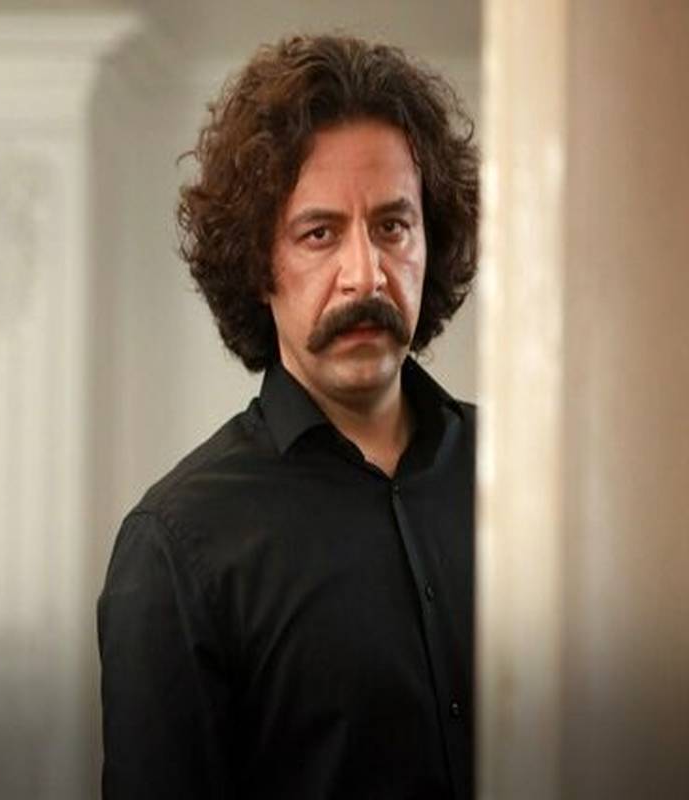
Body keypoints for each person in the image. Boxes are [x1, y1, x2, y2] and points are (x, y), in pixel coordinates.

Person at [97, 35, 479, 799]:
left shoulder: (528, 481)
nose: (366, 274)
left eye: (393, 227)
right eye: (319, 234)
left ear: (430, 239)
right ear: (258, 266)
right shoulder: (176, 547)